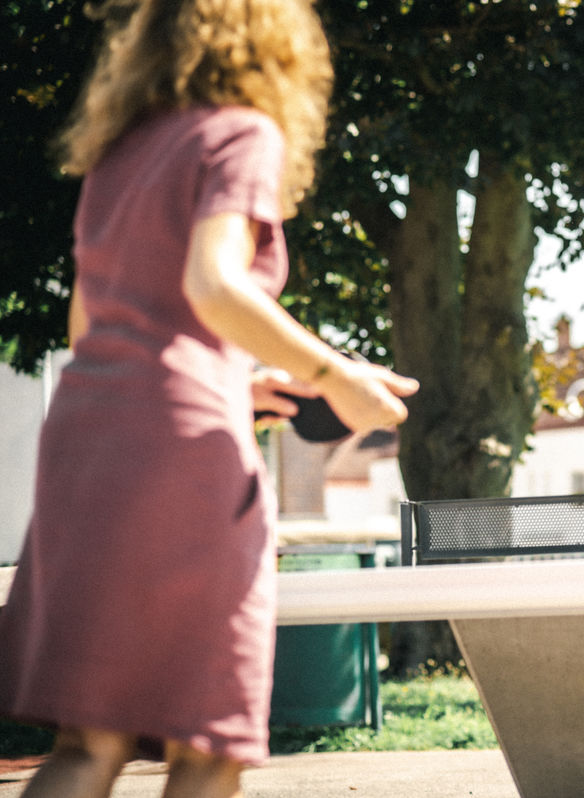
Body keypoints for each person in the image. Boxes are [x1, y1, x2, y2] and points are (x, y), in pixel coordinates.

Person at [0, 2, 418, 797]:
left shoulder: (117, 154)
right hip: (180, 449)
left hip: (86, 436)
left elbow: (92, 324)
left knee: (87, 745)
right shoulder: (240, 133)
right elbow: (214, 283)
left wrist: (239, 383)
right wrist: (336, 375)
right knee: (208, 745)